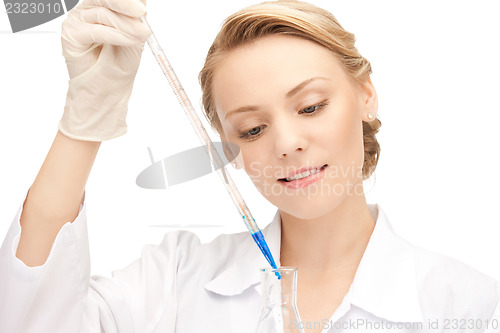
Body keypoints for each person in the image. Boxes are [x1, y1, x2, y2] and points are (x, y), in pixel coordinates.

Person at [0, 0, 499, 332]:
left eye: (310, 107)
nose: (286, 144)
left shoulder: (466, 306)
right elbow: (32, 319)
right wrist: (84, 123)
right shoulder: (179, 278)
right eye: (252, 130)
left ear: (365, 95)